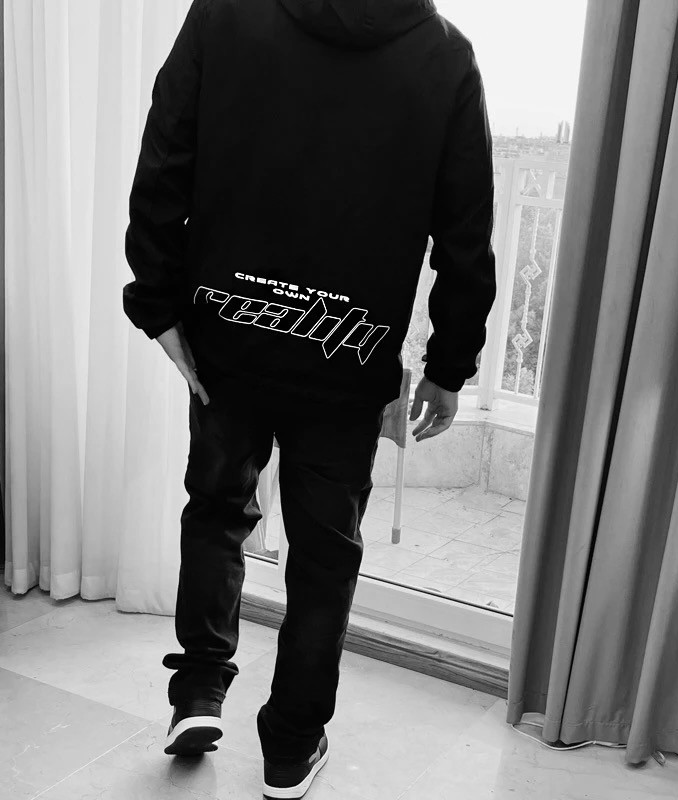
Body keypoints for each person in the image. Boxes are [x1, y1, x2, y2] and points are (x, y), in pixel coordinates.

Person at [122, 0, 496, 796]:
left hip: (229, 333)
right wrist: (449, 363)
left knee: (218, 510)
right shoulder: (444, 57)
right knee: (325, 554)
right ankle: (291, 746)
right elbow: (465, 228)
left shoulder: (225, 14)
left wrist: (157, 299)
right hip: (346, 355)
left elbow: (165, 158)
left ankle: (198, 691)